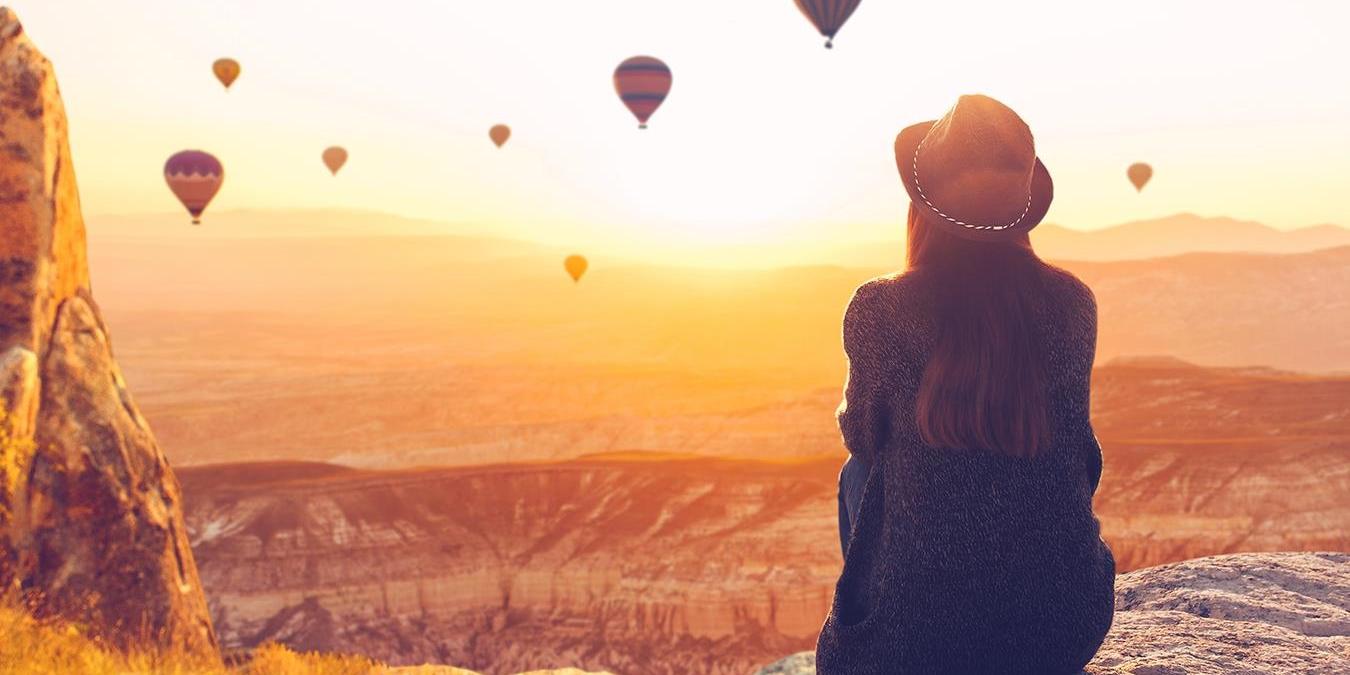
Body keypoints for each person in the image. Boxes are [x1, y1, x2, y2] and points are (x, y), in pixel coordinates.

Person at [817, 95, 1116, 674]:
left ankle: (894, 608)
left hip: (909, 651)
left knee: (858, 474)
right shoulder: (1072, 303)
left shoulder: (880, 307)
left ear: (923, 207)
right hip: (1060, 630)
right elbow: (1081, 455)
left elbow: (863, 436)